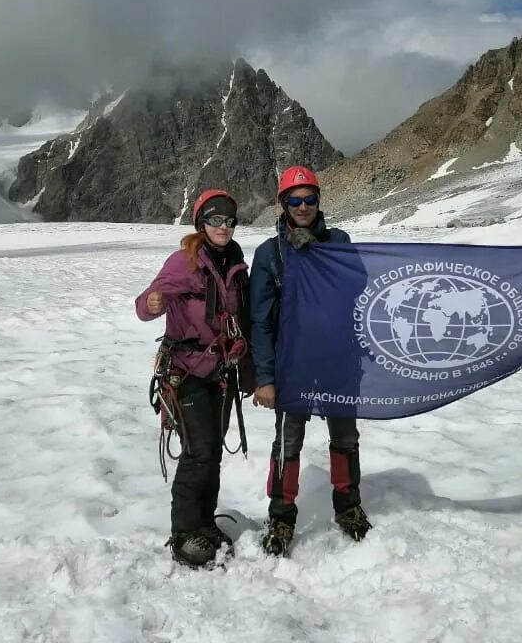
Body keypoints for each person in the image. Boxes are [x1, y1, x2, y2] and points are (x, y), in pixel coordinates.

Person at [249, 164, 366, 556]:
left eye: (309, 199)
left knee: (346, 438)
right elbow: (260, 322)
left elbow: (358, 287)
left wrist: (319, 257)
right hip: (292, 364)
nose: (303, 206)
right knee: (288, 441)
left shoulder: (339, 241)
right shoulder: (270, 254)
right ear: (283, 204)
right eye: (294, 200)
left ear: (318, 200)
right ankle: (281, 515)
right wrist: (264, 378)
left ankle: (348, 507)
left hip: (337, 360)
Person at [135, 189, 252, 568]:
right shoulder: (184, 262)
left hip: (219, 371)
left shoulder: (234, 264)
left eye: (229, 220)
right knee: (199, 449)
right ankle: (185, 533)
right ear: (201, 223)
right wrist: (154, 302)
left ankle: (203, 522)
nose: (223, 226)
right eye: (215, 219)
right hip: (185, 370)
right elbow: (145, 304)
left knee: (213, 450)